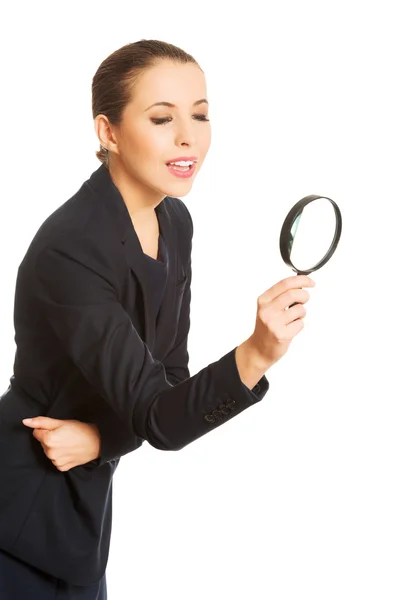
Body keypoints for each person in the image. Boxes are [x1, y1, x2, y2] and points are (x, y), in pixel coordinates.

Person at [0, 39, 315, 599]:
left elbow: (167, 383)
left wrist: (101, 439)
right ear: (109, 133)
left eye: (200, 114)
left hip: (82, 525)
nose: (188, 136)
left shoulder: (175, 220)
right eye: (162, 117)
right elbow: (162, 420)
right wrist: (257, 354)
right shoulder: (70, 248)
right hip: (16, 509)